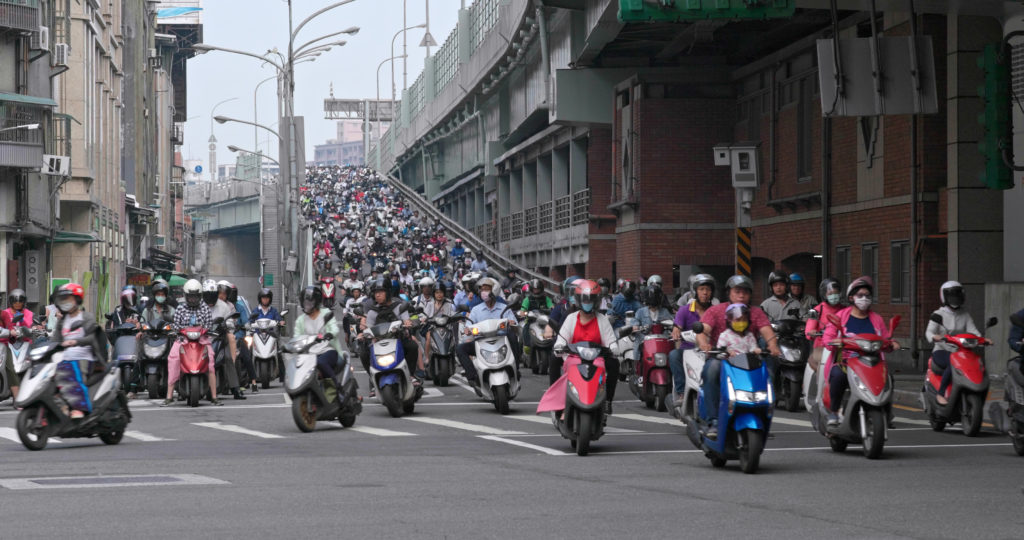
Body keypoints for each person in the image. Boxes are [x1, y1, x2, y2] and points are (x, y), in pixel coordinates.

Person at [696, 275, 781, 438]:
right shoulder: (715, 310)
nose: (741, 295)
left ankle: (762, 417)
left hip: (748, 359)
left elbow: (767, 332)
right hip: (722, 358)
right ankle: (714, 421)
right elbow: (703, 330)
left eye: (745, 292)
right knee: (711, 371)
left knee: (768, 373)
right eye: (737, 291)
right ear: (729, 293)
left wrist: (773, 346)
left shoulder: (756, 312)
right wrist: (704, 344)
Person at [822, 276, 900, 426]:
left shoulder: (876, 318)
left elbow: (885, 338)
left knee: (888, 378)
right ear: (851, 298)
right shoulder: (841, 316)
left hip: (872, 363)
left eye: (867, 295)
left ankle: (886, 412)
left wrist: (892, 343)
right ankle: (834, 411)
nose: (864, 299)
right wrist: (833, 341)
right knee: (838, 375)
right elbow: (828, 336)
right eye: (860, 295)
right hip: (846, 363)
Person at [548, 280, 620, 413]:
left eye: (591, 300)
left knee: (614, 363)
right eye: (585, 300)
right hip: (574, 356)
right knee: (553, 358)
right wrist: (559, 346)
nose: (588, 303)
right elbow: (562, 338)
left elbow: (610, 340)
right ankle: (557, 400)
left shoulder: (602, 320)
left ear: (597, 301)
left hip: (597, 358)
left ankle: (607, 401)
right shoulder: (571, 318)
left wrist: (614, 348)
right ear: (578, 300)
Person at [925, 281, 989, 405]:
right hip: (942, 350)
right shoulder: (938, 314)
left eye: (958, 295)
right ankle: (941, 393)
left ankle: (976, 392)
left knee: (978, 364)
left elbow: (973, 331)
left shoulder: (965, 314)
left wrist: (983, 339)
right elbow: (929, 332)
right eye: (952, 295)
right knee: (953, 364)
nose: (955, 298)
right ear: (944, 297)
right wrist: (934, 337)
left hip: (961, 351)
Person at [50, 283, 105, 418]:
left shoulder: (86, 317)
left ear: (77, 299)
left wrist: (75, 341)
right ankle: (60, 407)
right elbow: (55, 340)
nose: (65, 302)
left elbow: (93, 337)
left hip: (83, 357)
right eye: (63, 299)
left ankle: (79, 408)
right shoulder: (62, 321)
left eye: (68, 298)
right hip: (64, 357)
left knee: (71, 371)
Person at [359, 279, 420, 397]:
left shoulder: (399, 307)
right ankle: (373, 378)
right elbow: (368, 328)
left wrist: (408, 323)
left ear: (388, 292)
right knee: (363, 353)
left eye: (381, 292)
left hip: (398, 340)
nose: (377, 295)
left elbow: (406, 320)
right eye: (375, 292)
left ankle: (411, 375)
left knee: (412, 346)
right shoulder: (372, 312)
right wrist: (363, 334)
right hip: (379, 343)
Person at [456, 277, 520, 390]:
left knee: (513, 337)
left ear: (494, 290)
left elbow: (515, 325)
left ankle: (516, 370)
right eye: (482, 290)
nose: (483, 292)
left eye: (486, 289)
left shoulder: (504, 308)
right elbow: (468, 326)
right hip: (481, 344)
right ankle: (473, 377)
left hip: (502, 342)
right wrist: (467, 330)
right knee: (460, 348)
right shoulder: (476, 310)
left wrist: (511, 323)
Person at [164, 279, 220, 406]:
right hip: (183, 340)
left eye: (195, 296)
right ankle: (169, 395)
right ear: (186, 296)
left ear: (200, 296)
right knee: (173, 359)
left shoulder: (205, 308)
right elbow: (175, 324)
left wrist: (206, 330)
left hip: (202, 340)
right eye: (190, 296)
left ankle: (214, 396)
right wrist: (176, 330)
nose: (193, 299)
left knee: (211, 361)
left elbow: (209, 324)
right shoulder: (180, 308)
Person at [668, 274, 715, 404]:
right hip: (688, 350)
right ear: (695, 291)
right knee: (674, 355)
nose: (705, 293)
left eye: (708, 289)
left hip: (710, 350)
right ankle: (681, 392)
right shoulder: (684, 310)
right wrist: (676, 331)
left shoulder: (715, 311)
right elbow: (677, 327)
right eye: (702, 289)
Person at [293, 286, 347, 394]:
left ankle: (337, 388)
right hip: (309, 353)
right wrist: (292, 345)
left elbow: (334, 328)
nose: (307, 305)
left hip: (327, 350)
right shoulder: (300, 320)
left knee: (321, 362)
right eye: (305, 302)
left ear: (316, 302)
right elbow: (296, 336)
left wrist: (329, 334)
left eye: (310, 302)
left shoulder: (326, 313)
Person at [206, 280, 245, 400]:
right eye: (207, 294)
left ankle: (235, 389)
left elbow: (230, 321)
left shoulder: (224, 306)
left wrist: (226, 325)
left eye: (213, 294)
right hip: (203, 337)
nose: (210, 297)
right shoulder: (200, 306)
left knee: (228, 357)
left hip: (220, 336)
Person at [804, 278, 843, 373]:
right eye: (830, 294)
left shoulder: (845, 310)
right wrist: (812, 332)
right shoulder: (817, 310)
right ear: (824, 295)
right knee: (823, 367)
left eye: (836, 293)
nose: (834, 296)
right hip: (822, 347)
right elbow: (809, 329)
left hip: (841, 347)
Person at [1, 289, 33, 401]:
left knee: (33, 361)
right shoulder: (6, 312)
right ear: (10, 302)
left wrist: (23, 320)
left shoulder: (28, 313)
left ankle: (25, 393)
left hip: (24, 342)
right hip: (9, 343)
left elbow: (29, 325)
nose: (18, 304)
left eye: (20, 302)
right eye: (15, 302)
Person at [631, 285, 674, 366]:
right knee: (638, 345)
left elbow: (672, 321)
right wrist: (635, 326)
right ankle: (637, 367)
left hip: (661, 341)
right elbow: (635, 321)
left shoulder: (664, 311)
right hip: (645, 341)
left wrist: (672, 326)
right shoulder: (640, 312)